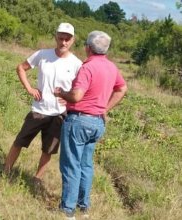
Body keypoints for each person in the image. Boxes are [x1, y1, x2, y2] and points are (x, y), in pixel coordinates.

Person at [54, 30, 127, 219]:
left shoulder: (88, 67)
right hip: (97, 123)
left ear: (88, 47)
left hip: (78, 120)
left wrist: (61, 93)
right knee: (86, 164)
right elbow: (122, 89)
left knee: (71, 165)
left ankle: (67, 210)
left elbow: (77, 96)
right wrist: (105, 109)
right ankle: (83, 205)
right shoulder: (111, 67)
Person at [3, 23, 82, 182]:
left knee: (48, 149)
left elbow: (80, 90)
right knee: (20, 141)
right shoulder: (42, 54)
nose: (63, 42)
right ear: (56, 37)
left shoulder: (77, 64)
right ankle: (6, 171)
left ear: (72, 40)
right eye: (61, 38)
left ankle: (37, 179)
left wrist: (67, 99)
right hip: (38, 110)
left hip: (59, 114)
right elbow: (21, 68)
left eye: (67, 39)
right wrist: (29, 88)